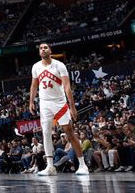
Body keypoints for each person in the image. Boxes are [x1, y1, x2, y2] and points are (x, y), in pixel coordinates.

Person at [28, 43, 89, 175]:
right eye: (40, 48)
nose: (43, 49)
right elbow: (33, 85)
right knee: (45, 132)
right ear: (39, 52)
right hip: (44, 104)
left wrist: (72, 107)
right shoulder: (35, 66)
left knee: (69, 132)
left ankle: (83, 165)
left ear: (50, 50)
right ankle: (50, 167)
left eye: (45, 47)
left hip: (59, 102)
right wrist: (31, 101)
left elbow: (67, 86)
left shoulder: (59, 65)